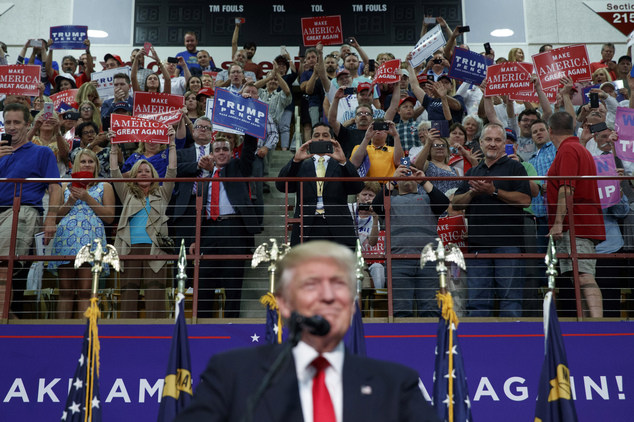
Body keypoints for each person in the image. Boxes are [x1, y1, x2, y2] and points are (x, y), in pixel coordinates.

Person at [175, 240, 441, 422]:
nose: (328, 296)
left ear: (351, 303)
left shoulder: (396, 386)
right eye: (311, 284)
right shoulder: (233, 375)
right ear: (284, 304)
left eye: (338, 284)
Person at [452, 123, 531, 317]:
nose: (492, 144)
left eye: (497, 140)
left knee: (510, 300)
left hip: (509, 244)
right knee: (477, 303)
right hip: (478, 245)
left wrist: (493, 191)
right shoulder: (472, 173)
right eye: (488, 139)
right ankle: (477, 345)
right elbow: (456, 204)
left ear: (504, 144)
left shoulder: (515, 167)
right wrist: (472, 192)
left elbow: (525, 199)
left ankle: (512, 345)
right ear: (480, 143)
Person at [109, 127, 177, 319]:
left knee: (156, 295)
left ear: (154, 173)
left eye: (147, 170)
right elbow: (114, 172)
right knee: (128, 294)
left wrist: (171, 144)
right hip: (129, 248)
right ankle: (127, 335)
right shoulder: (127, 193)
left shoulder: (162, 193)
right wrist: (114, 146)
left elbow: (172, 171)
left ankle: (157, 336)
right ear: (133, 175)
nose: (144, 173)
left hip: (155, 248)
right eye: (139, 171)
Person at [190, 134, 261, 317]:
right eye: (218, 149)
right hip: (209, 230)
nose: (221, 153)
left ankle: (231, 325)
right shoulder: (204, 175)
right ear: (211, 154)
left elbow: (248, 150)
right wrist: (194, 239)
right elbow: (196, 212)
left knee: (233, 281)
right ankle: (202, 326)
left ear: (231, 153)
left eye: (225, 149)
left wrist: (249, 129)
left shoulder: (238, 167)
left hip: (234, 228)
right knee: (204, 279)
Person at [0, 104, 61, 317]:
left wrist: (51, 218)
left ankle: (4, 321)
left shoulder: (42, 152)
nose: (12, 127)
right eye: (8, 122)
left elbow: (55, 188)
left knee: (3, 266)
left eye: (17, 122)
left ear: (28, 124)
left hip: (22, 212)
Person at [546, 111, 606, 318]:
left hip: (576, 224)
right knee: (577, 275)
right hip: (579, 222)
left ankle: (596, 324)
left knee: (583, 274)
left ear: (550, 130)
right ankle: (587, 323)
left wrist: (557, 223)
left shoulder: (568, 150)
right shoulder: (576, 147)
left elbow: (566, 189)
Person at [372, 165, 450, 317]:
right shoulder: (390, 201)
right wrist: (392, 179)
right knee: (400, 310)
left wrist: (423, 181)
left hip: (429, 260)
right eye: (403, 175)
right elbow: (376, 205)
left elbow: (443, 203)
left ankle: (431, 341)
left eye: (410, 174)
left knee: (431, 310)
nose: (407, 177)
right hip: (397, 261)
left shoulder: (429, 199)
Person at [48, 149, 115, 318]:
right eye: (83, 161)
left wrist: (87, 198)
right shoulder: (63, 185)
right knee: (65, 289)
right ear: (76, 164)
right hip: (66, 240)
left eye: (90, 162)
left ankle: (83, 333)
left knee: (86, 290)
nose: (87, 164)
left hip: (92, 241)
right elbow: (54, 218)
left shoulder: (104, 186)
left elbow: (109, 217)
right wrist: (70, 202)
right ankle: (62, 333)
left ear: (96, 165)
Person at [276, 123, 364, 248]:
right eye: (316, 135)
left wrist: (344, 162)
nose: (321, 138)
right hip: (307, 226)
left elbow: (357, 188)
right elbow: (281, 186)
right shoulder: (301, 165)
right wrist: (296, 161)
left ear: (333, 140)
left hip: (338, 227)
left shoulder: (341, 164)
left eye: (325, 135)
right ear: (310, 140)